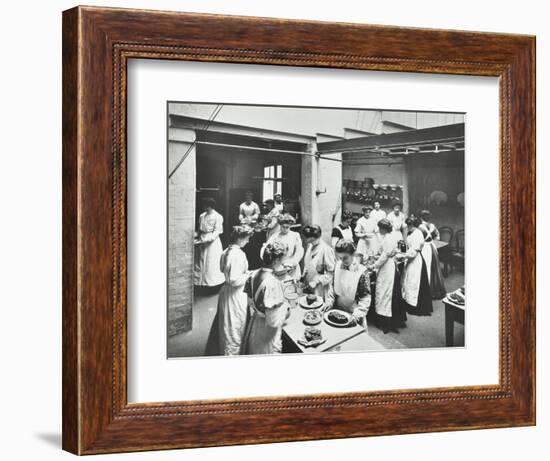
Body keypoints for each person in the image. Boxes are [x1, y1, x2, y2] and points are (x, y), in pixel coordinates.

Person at [241, 242, 291, 355]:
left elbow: (250, 301)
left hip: (256, 322)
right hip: (268, 331)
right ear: (276, 261)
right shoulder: (272, 283)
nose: (283, 263)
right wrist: (286, 310)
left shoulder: (252, 274)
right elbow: (273, 322)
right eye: (282, 260)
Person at [216, 225, 254, 355]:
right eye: (247, 239)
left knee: (226, 327)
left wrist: (244, 273)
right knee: (234, 329)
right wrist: (248, 275)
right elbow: (235, 281)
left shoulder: (226, 251)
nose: (248, 241)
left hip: (225, 292)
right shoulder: (238, 254)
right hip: (235, 295)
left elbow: (222, 270)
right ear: (240, 239)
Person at [368, 219, 407, 333]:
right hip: (391, 265)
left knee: (384, 294)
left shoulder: (387, 239)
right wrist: (378, 256)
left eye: (380, 228)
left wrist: (374, 265)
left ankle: (385, 322)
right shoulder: (392, 236)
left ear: (383, 228)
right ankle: (394, 320)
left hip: (387, 268)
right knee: (390, 293)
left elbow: (385, 256)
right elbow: (387, 253)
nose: (379, 230)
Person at [325, 239, 371, 325]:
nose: (342, 261)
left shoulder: (362, 272)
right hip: (337, 308)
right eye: (340, 258)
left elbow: (365, 297)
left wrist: (357, 315)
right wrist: (329, 301)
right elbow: (332, 286)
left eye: (345, 258)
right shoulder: (337, 265)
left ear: (353, 254)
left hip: (354, 311)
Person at [399, 216, 433, 316]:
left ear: (412, 225)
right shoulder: (412, 233)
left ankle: (417, 307)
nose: (407, 228)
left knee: (414, 283)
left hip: (416, 261)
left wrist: (402, 255)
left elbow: (414, 252)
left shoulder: (418, 234)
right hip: (411, 261)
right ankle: (409, 304)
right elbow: (407, 245)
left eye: (408, 226)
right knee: (408, 282)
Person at [262, 213, 304, 281]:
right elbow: (266, 249)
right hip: (278, 266)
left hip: (291, 266)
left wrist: (292, 263)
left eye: (287, 227)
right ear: (280, 226)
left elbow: (299, 251)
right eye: (282, 227)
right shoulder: (275, 236)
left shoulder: (295, 236)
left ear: (290, 226)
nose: (284, 229)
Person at [193, 197, 225, 288]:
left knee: (210, 262)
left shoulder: (218, 216)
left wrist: (207, 240)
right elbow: (199, 229)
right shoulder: (202, 215)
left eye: (206, 206)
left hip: (212, 242)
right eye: (204, 206)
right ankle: (200, 282)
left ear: (211, 206)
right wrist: (196, 237)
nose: (205, 208)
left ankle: (212, 284)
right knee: (200, 261)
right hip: (202, 239)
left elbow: (217, 232)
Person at [301, 225, 336, 302]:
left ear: (318, 237)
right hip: (309, 283)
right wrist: (304, 274)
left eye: (312, 240)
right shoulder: (310, 246)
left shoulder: (326, 250)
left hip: (320, 287)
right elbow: (308, 262)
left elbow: (331, 273)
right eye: (309, 241)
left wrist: (316, 282)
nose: (310, 242)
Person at [418, 210, 447, 299]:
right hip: (431, 247)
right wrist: (432, 240)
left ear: (421, 217)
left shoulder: (419, 227)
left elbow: (418, 240)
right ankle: (435, 290)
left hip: (423, 248)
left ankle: (426, 291)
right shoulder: (432, 226)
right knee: (433, 268)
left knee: (424, 267)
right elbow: (437, 237)